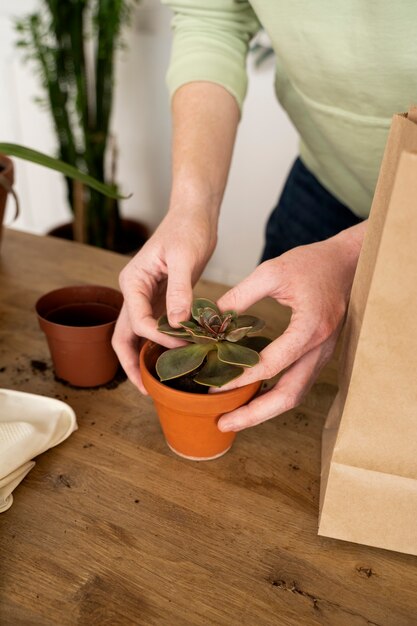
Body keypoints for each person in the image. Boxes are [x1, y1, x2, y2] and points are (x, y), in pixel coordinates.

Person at [113, 1, 416, 433]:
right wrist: (190, 208)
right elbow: (212, 16)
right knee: (280, 359)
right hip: (327, 178)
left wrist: (353, 252)